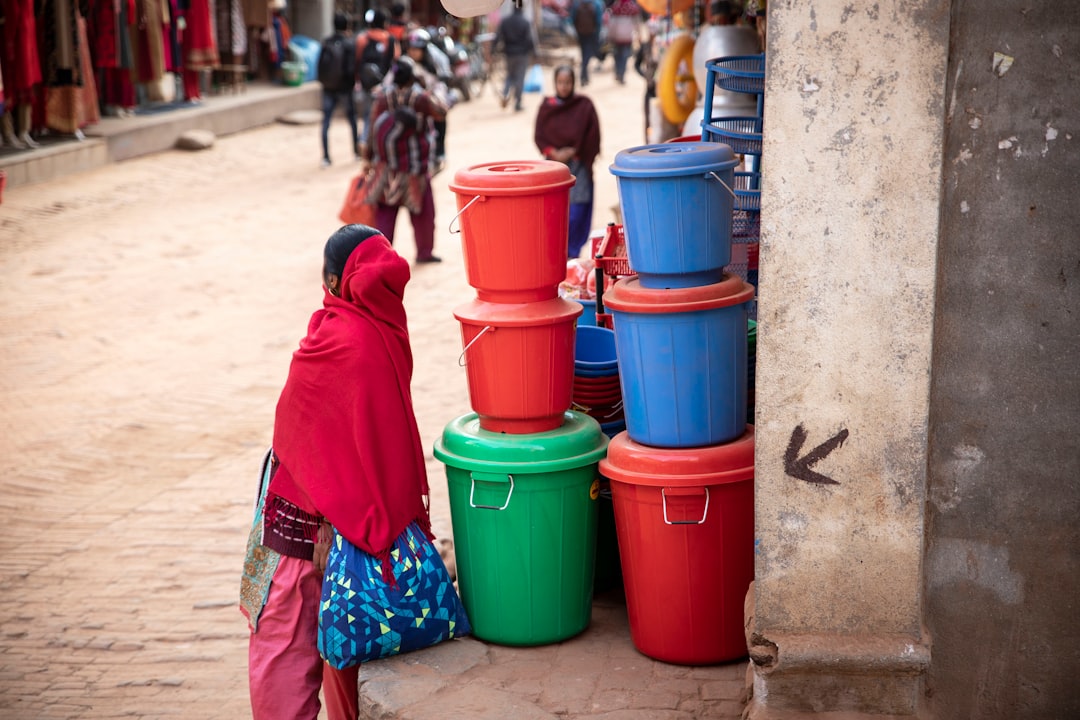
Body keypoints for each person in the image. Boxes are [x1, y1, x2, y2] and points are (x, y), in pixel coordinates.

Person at [244, 224, 434, 720]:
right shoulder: (389, 329)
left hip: (304, 515)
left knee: (283, 645)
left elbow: (294, 429)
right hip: (369, 527)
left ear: (334, 280)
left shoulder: (334, 337)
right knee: (344, 645)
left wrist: (333, 516)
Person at [363, 56, 448, 264]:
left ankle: (380, 256)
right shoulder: (420, 99)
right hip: (414, 168)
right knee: (424, 214)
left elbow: (372, 130)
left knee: (385, 214)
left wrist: (368, 160)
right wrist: (425, 87)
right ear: (412, 76)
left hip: (387, 168)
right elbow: (441, 112)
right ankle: (424, 252)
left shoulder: (383, 98)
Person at [534, 65, 601, 259]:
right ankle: (556, 255)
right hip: (554, 167)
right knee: (555, 212)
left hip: (578, 166)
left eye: (568, 82)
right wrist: (554, 152)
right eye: (560, 82)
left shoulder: (584, 106)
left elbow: (593, 135)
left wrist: (575, 151)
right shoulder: (547, 108)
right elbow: (539, 135)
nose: (564, 87)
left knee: (577, 212)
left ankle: (572, 253)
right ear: (555, 83)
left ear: (574, 83)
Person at [354, 8, 398, 156]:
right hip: (382, 85)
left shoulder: (362, 38)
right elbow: (394, 61)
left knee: (368, 115)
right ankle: (376, 146)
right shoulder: (390, 39)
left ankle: (364, 140)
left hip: (366, 84)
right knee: (382, 115)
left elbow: (357, 60)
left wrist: (358, 81)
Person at [317, 11, 359, 168]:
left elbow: (320, 65)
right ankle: (355, 152)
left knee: (326, 122)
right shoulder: (349, 43)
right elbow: (351, 68)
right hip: (345, 88)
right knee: (352, 120)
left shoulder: (326, 42)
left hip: (328, 87)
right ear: (346, 26)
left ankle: (326, 157)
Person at [493, 3, 535, 112]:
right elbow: (530, 39)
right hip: (522, 54)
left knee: (510, 76)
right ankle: (518, 102)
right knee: (519, 78)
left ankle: (505, 94)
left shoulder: (505, 21)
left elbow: (498, 37)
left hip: (509, 54)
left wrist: (493, 50)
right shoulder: (525, 22)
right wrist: (533, 52)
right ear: (522, 10)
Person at [570, 0, 603, 86]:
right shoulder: (597, 3)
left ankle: (585, 75)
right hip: (591, 33)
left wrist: (576, 31)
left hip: (580, 33)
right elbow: (599, 21)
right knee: (587, 55)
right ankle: (583, 74)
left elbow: (572, 19)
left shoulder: (577, 3)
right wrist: (597, 34)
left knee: (584, 53)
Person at [608, 0, 639, 84]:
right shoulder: (632, 7)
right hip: (627, 36)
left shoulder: (616, 7)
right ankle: (621, 73)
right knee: (624, 55)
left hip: (617, 36)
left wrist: (610, 35)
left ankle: (618, 72)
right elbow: (636, 23)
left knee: (617, 55)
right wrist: (638, 34)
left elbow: (612, 23)